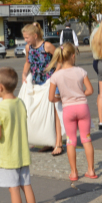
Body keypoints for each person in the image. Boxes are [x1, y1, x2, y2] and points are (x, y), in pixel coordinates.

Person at [0, 67, 43, 203]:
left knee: (13, 189)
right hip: (22, 154)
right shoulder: (20, 103)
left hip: (8, 157)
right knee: (26, 186)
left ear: (0, 87)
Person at [48, 43, 97, 181]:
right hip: (82, 107)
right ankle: (91, 170)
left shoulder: (56, 76)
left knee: (71, 141)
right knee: (86, 139)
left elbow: (51, 98)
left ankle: (74, 172)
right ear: (73, 56)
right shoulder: (81, 71)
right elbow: (90, 90)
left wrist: (63, 97)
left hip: (68, 108)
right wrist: (79, 94)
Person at [21, 22, 63, 156]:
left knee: (54, 112)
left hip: (49, 82)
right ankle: (47, 141)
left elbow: (60, 59)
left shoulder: (47, 45)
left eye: (27, 37)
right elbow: (28, 61)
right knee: (39, 112)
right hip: (35, 81)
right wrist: (24, 73)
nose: (25, 40)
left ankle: (58, 143)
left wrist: (56, 73)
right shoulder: (29, 47)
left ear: (35, 35)